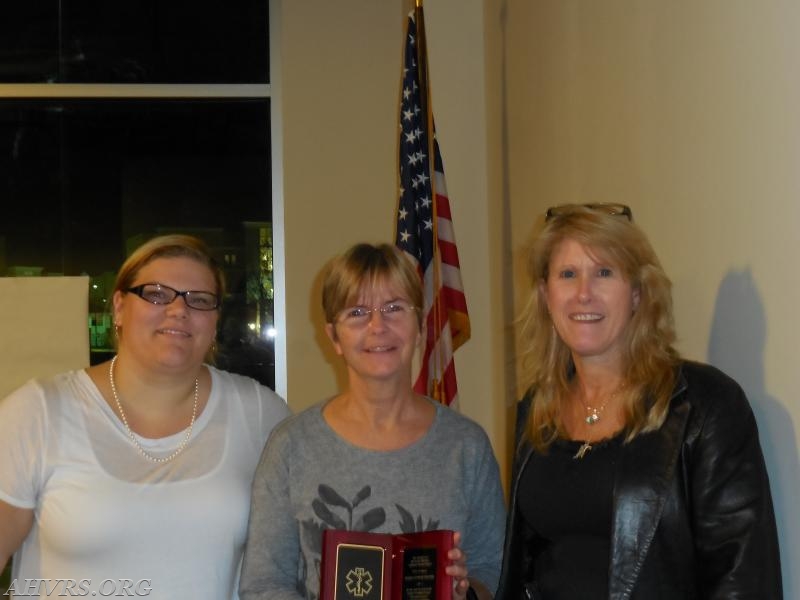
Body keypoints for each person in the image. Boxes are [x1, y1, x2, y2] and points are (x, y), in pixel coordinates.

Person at [495, 204, 782, 600]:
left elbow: (742, 579)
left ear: (636, 293)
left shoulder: (704, 406)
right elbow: (526, 563)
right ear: (546, 295)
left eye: (604, 273)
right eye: (567, 274)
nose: (583, 294)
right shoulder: (536, 408)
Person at [0, 234, 290, 599]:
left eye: (199, 300)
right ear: (119, 307)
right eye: (156, 293)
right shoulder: (38, 411)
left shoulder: (260, 413)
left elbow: (296, 553)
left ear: (215, 320)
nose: (179, 310)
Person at [239, 243, 505, 600]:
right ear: (334, 336)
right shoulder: (291, 445)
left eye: (395, 308)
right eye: (358, 312)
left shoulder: (466, 445)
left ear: (420, 325)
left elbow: (494, 568)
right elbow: (263, 584)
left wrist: (465, 590)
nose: (378, 326)